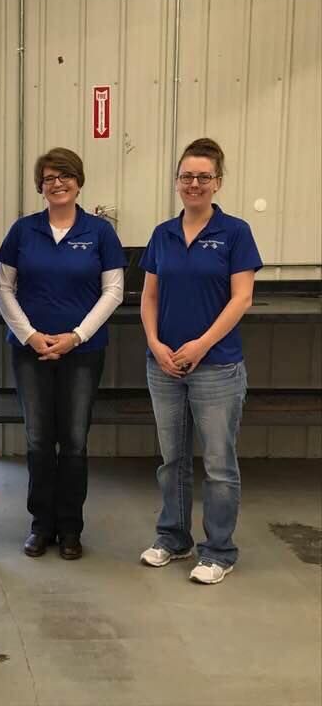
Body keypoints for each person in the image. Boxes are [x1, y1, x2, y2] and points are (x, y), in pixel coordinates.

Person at [139, 138, 262, 585]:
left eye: (203, 177)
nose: (194, 183)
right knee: (172, 460)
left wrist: (201, 345)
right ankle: (173, 539)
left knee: (218, 463)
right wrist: (154, 343)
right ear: (177, 182)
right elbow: (149, 295)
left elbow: (242, 298)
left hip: (217, 367)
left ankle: (218, 551)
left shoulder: (235, 233)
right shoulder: (162, 234)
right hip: (165, 365)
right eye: (186, 176)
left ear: (218, 182)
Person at [0, 148, 125, 560]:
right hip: (30, 351)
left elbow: (114, 292)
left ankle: (70, 529)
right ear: (40, 185)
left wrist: (76, 336)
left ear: (79, 181)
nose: (57, 183)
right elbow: (2, 289)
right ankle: (41, 526)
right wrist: (31, 336)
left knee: (73, 441)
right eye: (49, 178)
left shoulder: (100, 232)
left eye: (65, 176)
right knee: (37, 441)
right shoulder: (23, 230)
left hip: (82, 352)